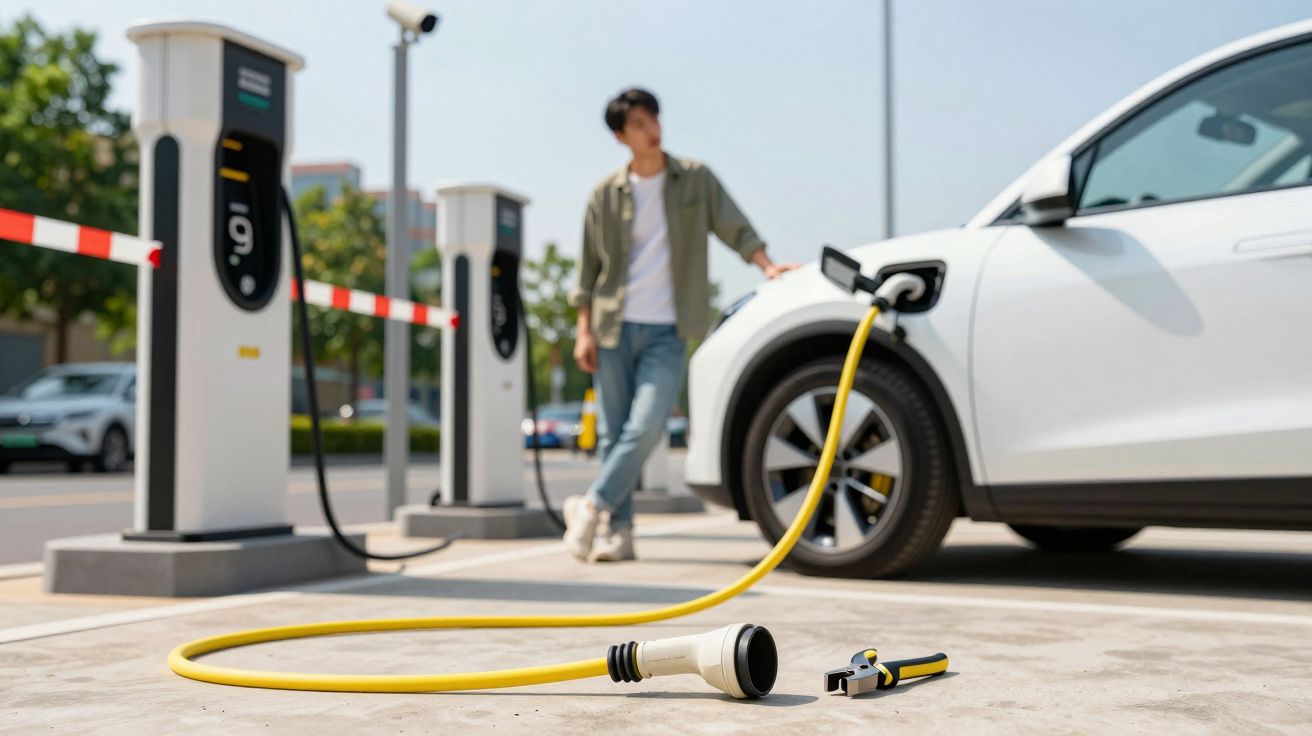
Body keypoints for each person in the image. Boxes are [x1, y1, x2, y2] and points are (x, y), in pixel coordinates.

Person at [564, 88, 799, 562]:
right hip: (612, 328)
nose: (652, 129)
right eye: (638, 123)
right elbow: (587, 270)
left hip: (669, 330)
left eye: (654, 118)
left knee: (647, 426)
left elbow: (733, 224)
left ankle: (590, 505)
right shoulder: (604, 195)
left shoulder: (694, 179)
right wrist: (583, 330)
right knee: (613, 434)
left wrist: (766, 265)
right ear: (620, 136)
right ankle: (621, 533)